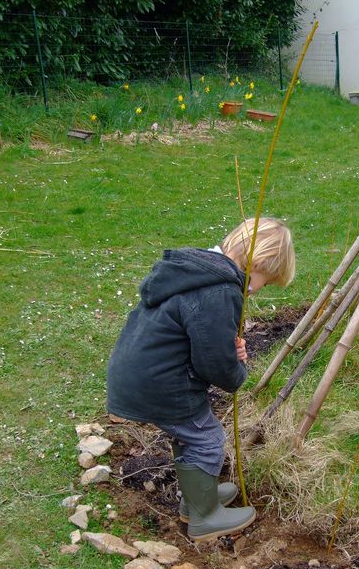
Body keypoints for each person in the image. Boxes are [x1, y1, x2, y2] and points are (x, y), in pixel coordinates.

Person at [107, 218, 295, 542]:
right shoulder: (220, 290)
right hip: (164, 385)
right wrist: (236, 374)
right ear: (258, 263)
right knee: (207, 439)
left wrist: (226, 345)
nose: (260, 288)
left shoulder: (195, 272)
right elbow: (212, 362)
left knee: (190, 436)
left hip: (140, 373)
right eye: (267, 279)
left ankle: (196, 500)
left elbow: (197, 336)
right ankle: (204, 517)